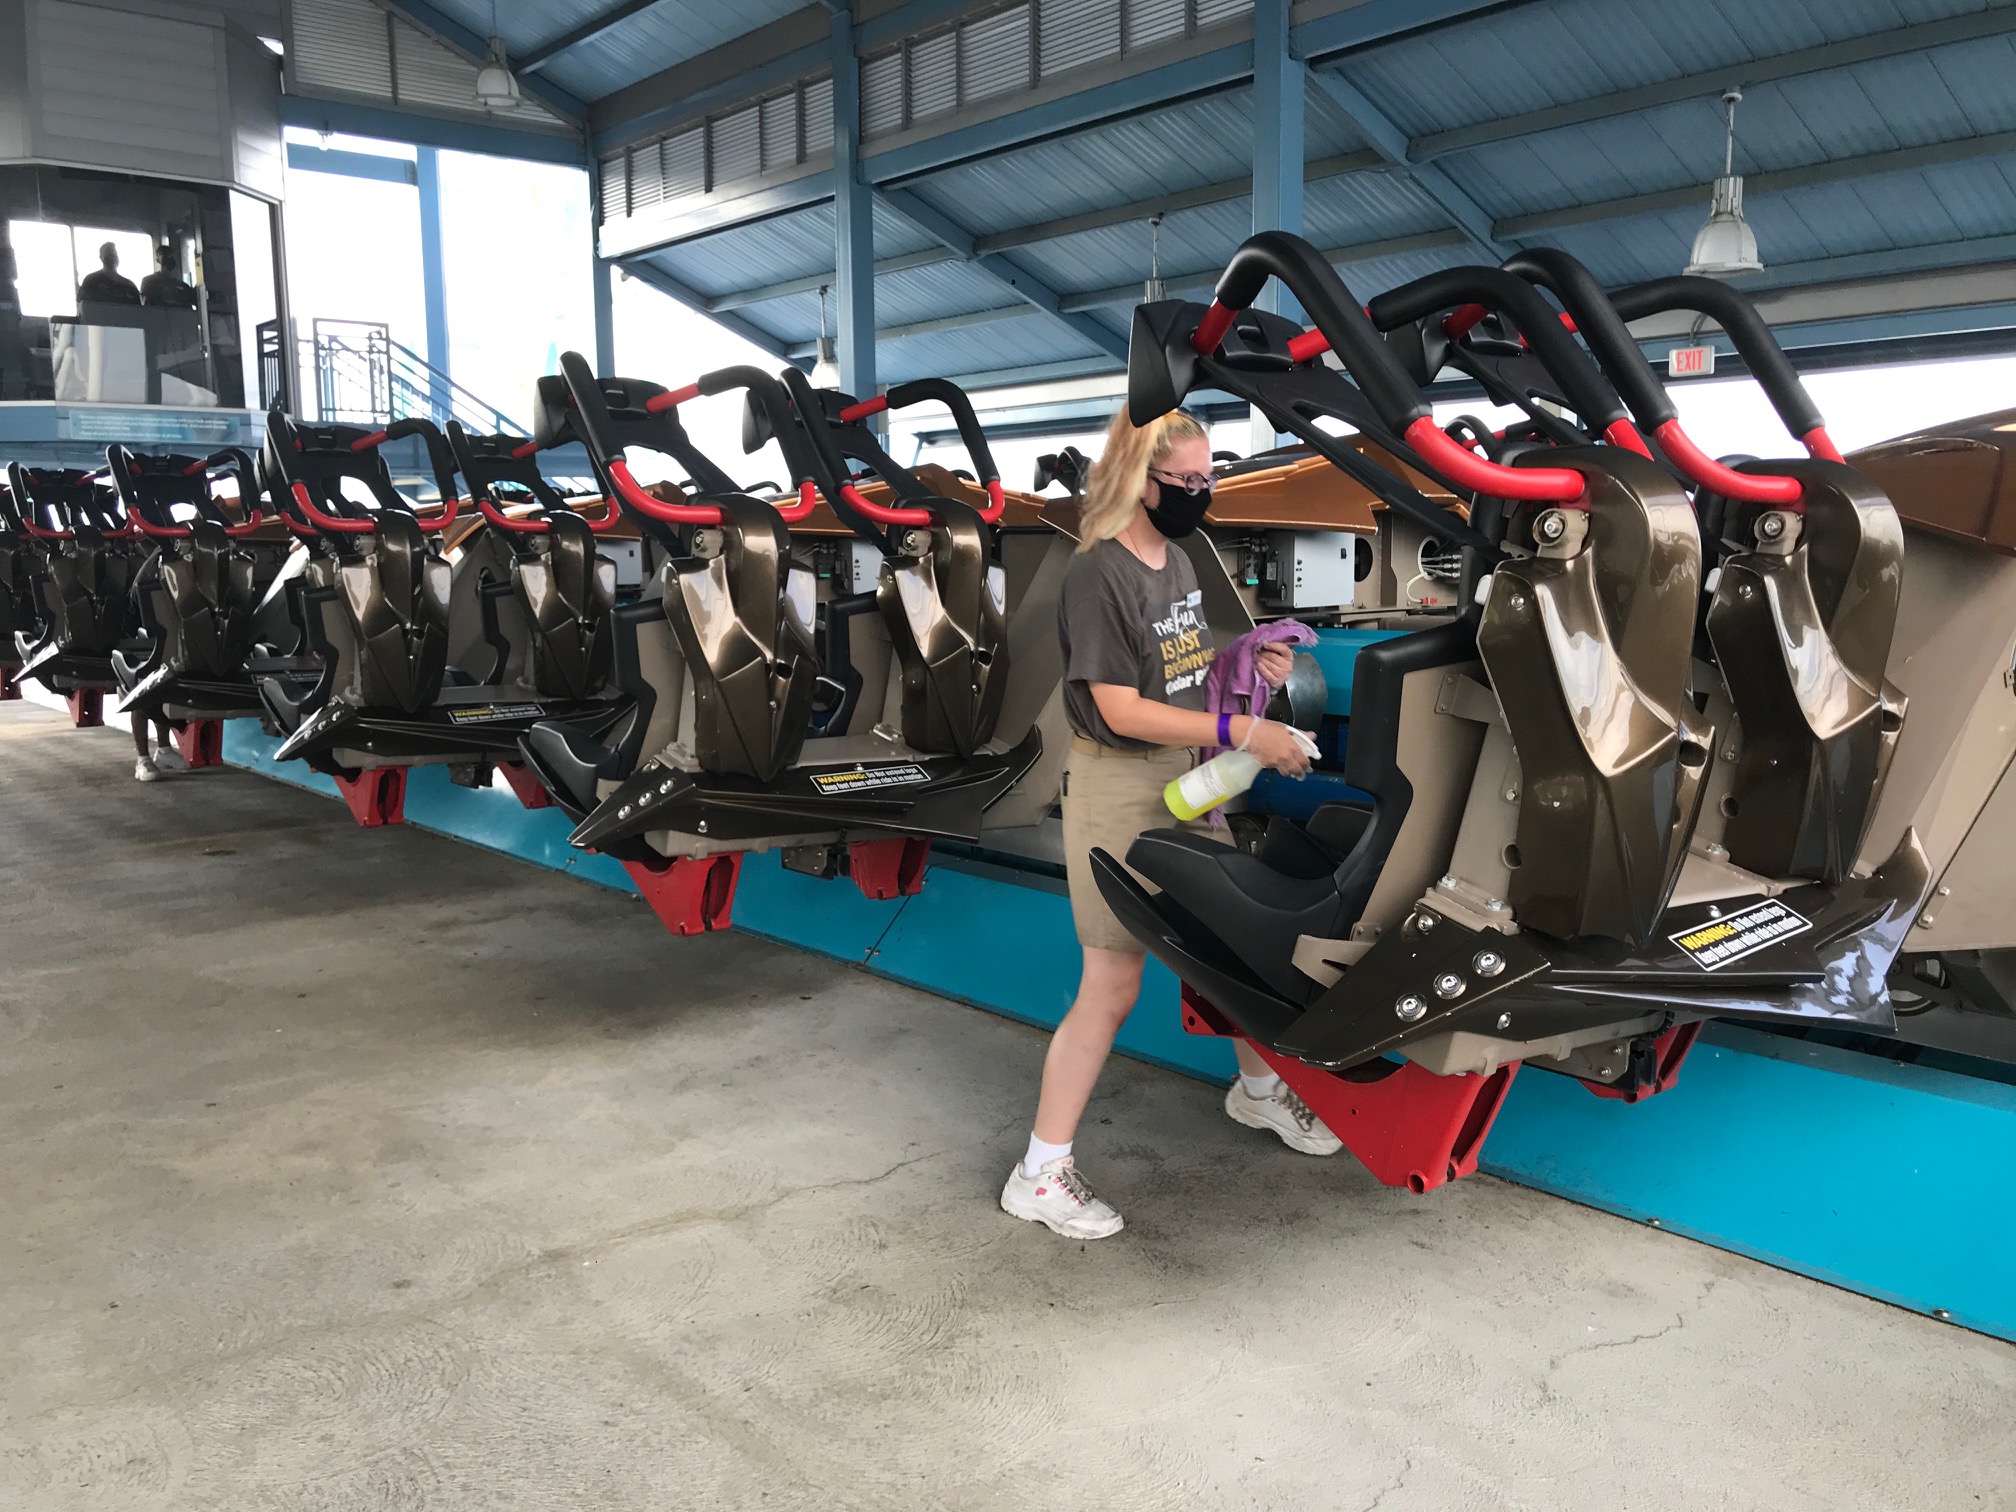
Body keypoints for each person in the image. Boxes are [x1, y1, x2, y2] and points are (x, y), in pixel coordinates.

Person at [999, 407, 1341, 1242]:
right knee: (1112, 986)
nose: (1201, 492)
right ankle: (1039, 1172)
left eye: (1209, 477)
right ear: (1136, 478)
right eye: (1186, 482)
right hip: (1120, 787)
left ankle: (1257, 1093)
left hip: (1187, 781)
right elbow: (1119, 706)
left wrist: (1245, 668)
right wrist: (1244, 734)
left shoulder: (1178, 556)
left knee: (1229, 949)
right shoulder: (1097, 574)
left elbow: (1181, 675)